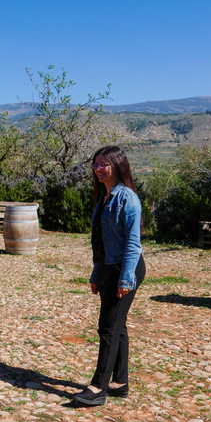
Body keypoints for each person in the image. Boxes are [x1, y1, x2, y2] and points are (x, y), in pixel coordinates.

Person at [74, 146, 146, 407]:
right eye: (95, 165)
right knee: (118, 325)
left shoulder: (127, 198)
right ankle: (120, 382)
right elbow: (100, 242)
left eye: (104, 164)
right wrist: (96, 272)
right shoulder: (104, 198)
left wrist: (126, 280)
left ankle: (98, 387)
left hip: (125, 268)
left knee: (108, 326)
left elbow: (132, 244)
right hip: (107, 266)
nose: (98, 169)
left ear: (118, 165)